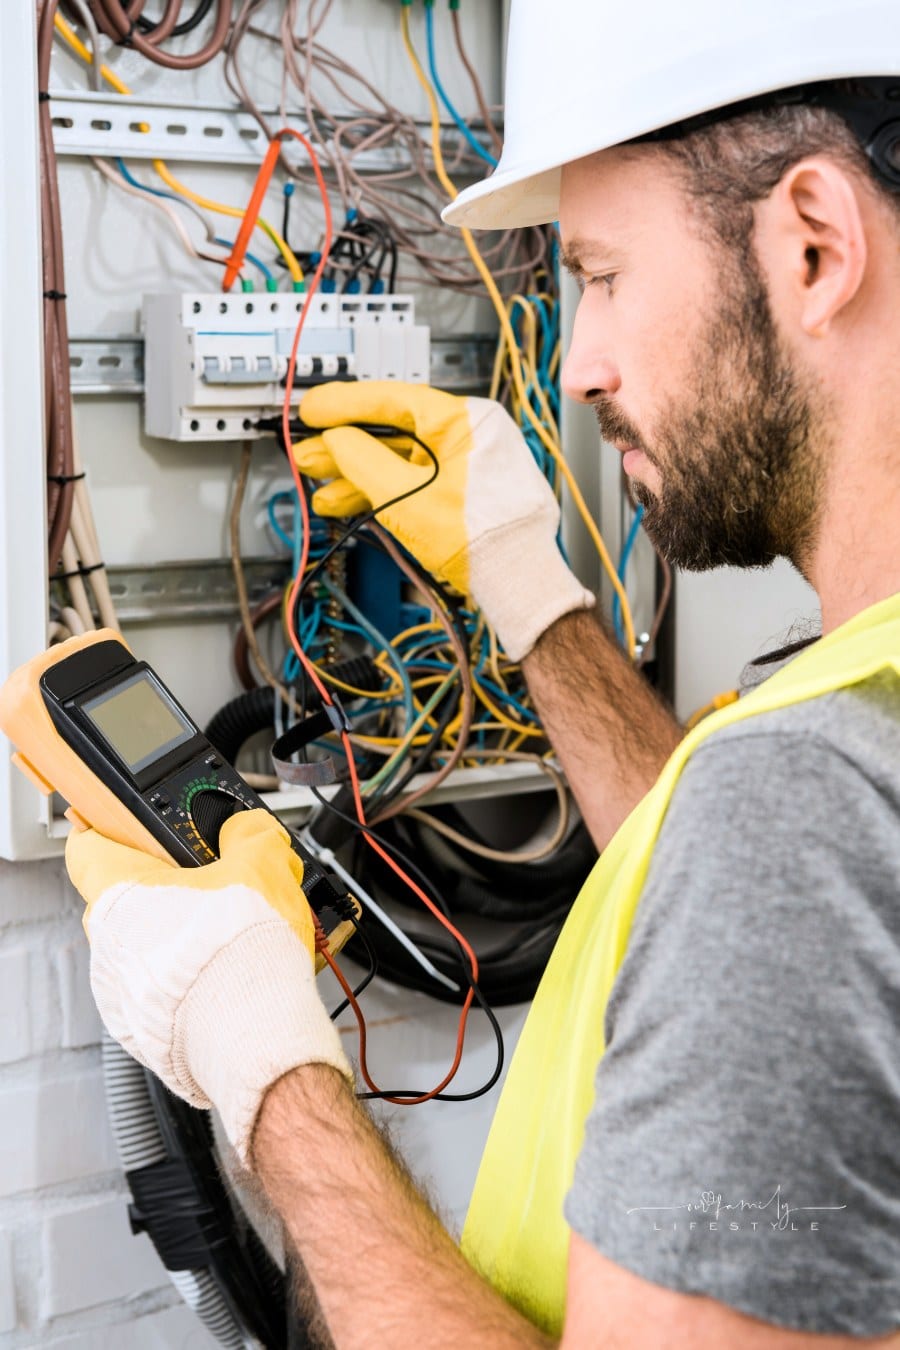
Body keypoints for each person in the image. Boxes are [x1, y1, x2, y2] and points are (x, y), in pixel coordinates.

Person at [66, 1, 900, 1345]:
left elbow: (774, 875)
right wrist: (527, 584)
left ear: (814, 245)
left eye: (607, 274)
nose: (580, 366)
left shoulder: (805, 793)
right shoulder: (849, 735)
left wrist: (264, 1060)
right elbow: (729, 905)